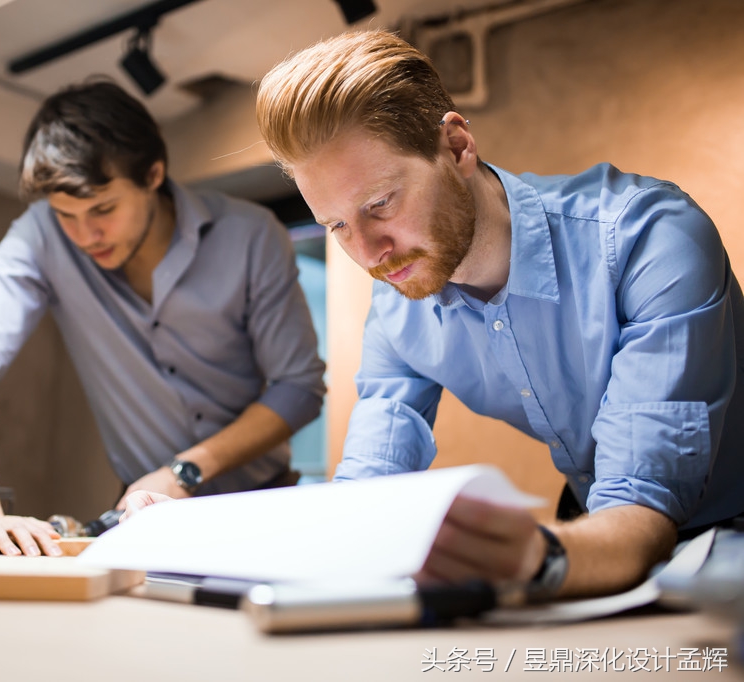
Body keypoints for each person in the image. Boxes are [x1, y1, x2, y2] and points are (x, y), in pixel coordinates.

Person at [246, 29, 744, 600]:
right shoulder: (398, 301)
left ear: (456, 147)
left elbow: (642, 498)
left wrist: (529, 555)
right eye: (336, 226)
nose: (368, 254)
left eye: (380, 203)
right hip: (596, 528)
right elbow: (369, 481)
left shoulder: (647, 237)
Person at [0, 79, 325, 557]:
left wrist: (184, 471)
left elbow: (298, 387)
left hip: (261, 506)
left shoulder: (251, 236)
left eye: (103, 209)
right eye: (65, 215)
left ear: (153, 175)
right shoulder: (41, 237)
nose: (84, 234)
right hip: (138, 519)